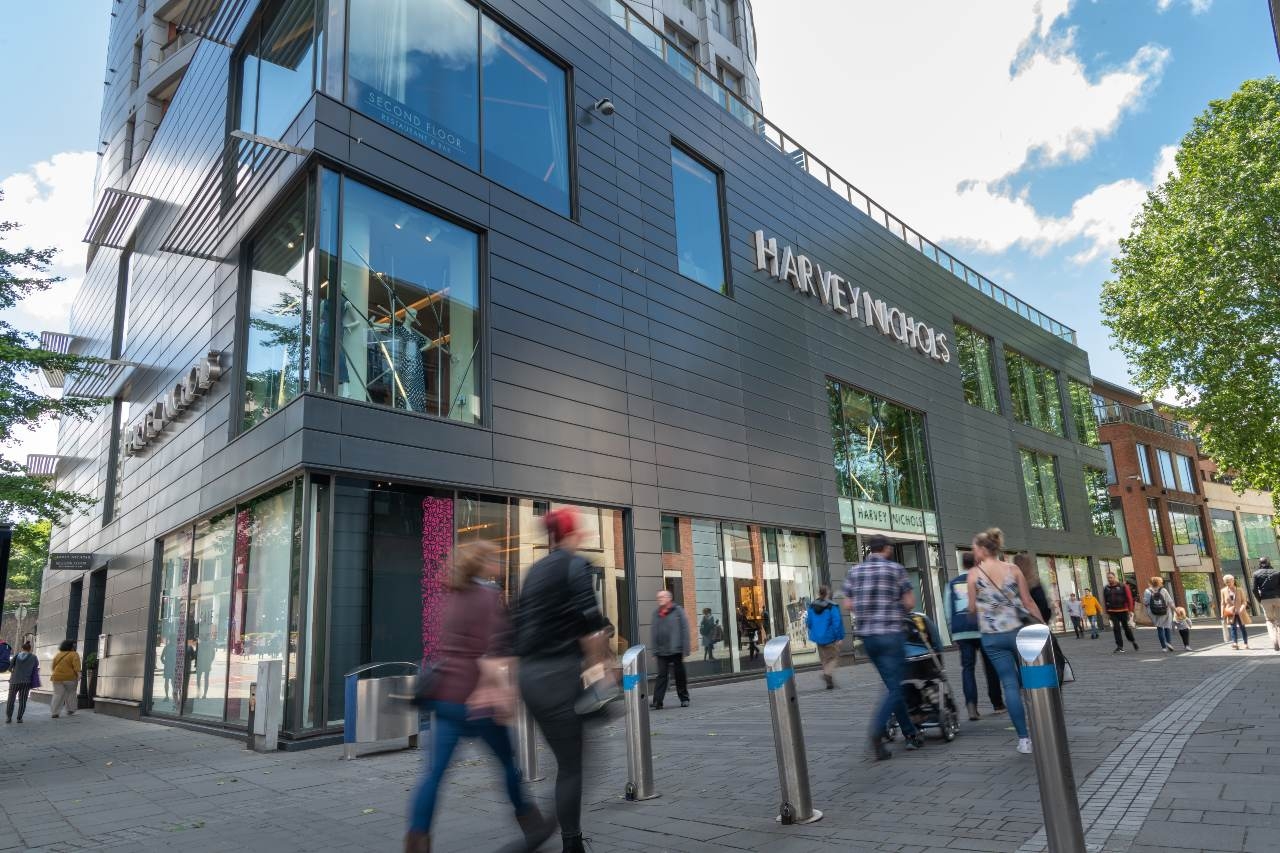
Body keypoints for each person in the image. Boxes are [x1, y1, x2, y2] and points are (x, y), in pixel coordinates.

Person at [405, 541, 552, 853]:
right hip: (478, 701)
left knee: (433, 775)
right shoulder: (488, 597)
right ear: (483, 563)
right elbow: (496, 652)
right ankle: (533, 825)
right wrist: (504, 694)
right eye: (495, 558)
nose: (499, 563)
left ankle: (416, 843)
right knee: (507, 765)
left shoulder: (449, 596)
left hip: (445, 697)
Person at [514, 507, 611, 853]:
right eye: (580, 529)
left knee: (569, 759)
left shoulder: (534, 572)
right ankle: (566, 843)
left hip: (530, 679)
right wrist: (600, 674)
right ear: (571, 533)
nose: (583, 534)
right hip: (558, 675)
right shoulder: (576, 565)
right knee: (573, 765)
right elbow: (591, 625)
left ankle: (561, 836)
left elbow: (519, 628)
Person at [843, 534, 922, 760]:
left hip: (869, 638)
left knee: (891, 687)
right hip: (891, 635)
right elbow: (909, 603)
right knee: (896, 688)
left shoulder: (855, 571)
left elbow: (848, 603)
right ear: (886, 548)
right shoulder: (896, 569)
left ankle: (910, 733)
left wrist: (866, 609)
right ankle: (877, 730)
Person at [967, 528, 1039, 755]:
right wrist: (1042, 626)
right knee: (1033, 680)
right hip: (1018, 633)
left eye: (974, 548)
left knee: (1009, 685)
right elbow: (1028, 602)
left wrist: (982, 609)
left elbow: (970, 609)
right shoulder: (1013, 569)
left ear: (981, 549)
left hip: (992, 637)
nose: (973, 552)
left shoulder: (973, 575)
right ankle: (1044, 725)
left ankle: (1024, 739)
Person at [947, 552, 1005, 721]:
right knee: (990, 666)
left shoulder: (951, 584)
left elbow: (948, 611)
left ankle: (972, 707)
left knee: (967, 668)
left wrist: (954, 633)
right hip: (984, 629)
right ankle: (998, 704)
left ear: (962, 564)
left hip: (962, 631)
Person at [650, 590, 690, 710]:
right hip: (661, 651)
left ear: (669, 598)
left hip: (676, 649)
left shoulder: (678, 611)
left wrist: (685, 649)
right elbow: (654, 632)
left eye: (662, 596)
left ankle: (684, 698)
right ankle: (658, 701)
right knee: (661, 675)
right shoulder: (656, 613)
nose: (659, 599)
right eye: (658, 597)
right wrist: (654, 650)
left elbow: (685, 629)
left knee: (679, 675)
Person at [806, 585, 845, 689]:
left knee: (824, 659)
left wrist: (814, 630)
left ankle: (829, 682)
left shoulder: (812, 606)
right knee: (833, 657)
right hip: (830, 636)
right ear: (828, 593)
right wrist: (839, 637)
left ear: (819, 593)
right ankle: (827, 675)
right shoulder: (832, 606)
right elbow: (837, 623)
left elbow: (808, 622)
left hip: (818, 637)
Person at [1103, 573, 1139, 653]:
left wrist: (1130, 610)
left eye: (1111, 577)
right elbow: (1105, 600)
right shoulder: (1106, 588)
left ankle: (1133, 641)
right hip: (1112, 611)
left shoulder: (1123, 586)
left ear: (1115, 577)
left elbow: (1129, 598)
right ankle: (1119, 646)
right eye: (1108, 578)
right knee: (1116, 628)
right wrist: (1106, 612)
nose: (1109, 579)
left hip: (1123, 610)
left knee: (1126, 628)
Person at [1250, 557, 1280, 651]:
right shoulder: (1277, 572)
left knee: (1269, 621)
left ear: (1260, 563)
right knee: (1279, 621)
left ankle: (1274, 641)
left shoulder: (1256, 574)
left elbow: (1254, 589)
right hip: (1277, 598)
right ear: (1269, 562)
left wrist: (1260, 600)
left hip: (1265, 600)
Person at [5, 641, 39, 723]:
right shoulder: (34, 657)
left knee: (11, 700)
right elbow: (36, 666)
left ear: (22, 648)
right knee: (23, 700)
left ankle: (8, 718)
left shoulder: (16, 656)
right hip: (26, 682)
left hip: (14, 681)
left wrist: (15, 671)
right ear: (30, 649)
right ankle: (19, 718)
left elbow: (9, 668)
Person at [1014, 553, 1052, 623]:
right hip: (1034, 623)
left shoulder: (1012, 584)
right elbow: (1042, 607)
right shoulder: (1034, 584)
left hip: (1018, 625)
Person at [50, 640, 81, 719]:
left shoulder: (58, 655)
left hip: (56, 677)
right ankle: (70, 709)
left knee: (57, 694)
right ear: (71, 646)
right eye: (74, 645)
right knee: (71, 693)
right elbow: (76, 666)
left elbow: (53, 667)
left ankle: (55, 712)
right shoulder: (74, 654)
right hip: (70, 678)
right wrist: (79, 674)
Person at [1143, 577, 1176, 652]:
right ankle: (1169, 644)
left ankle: (1163, 647)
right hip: (1165, 612)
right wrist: (1176, 611)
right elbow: (1170, 602)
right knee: (1167, 627)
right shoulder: (1163, 590)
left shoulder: (1147, 591)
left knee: (1160, 628)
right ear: (1159, 583)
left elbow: (1145, 602)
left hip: (1154, 613)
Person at [1220, 574, 1250, 650]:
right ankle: (1235, 643)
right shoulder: (1223, 591)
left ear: (1233, 581)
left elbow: (1244, 601)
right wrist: (1222, 614)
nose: (1228, 584)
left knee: (1242, 627)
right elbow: (1223, 603)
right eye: (1226, 582)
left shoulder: (1239, 590)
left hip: (1240, 612)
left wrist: (1242, 608)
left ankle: (1245, 643)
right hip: (1230, 612)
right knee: (1233, 628)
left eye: (1229, 582)